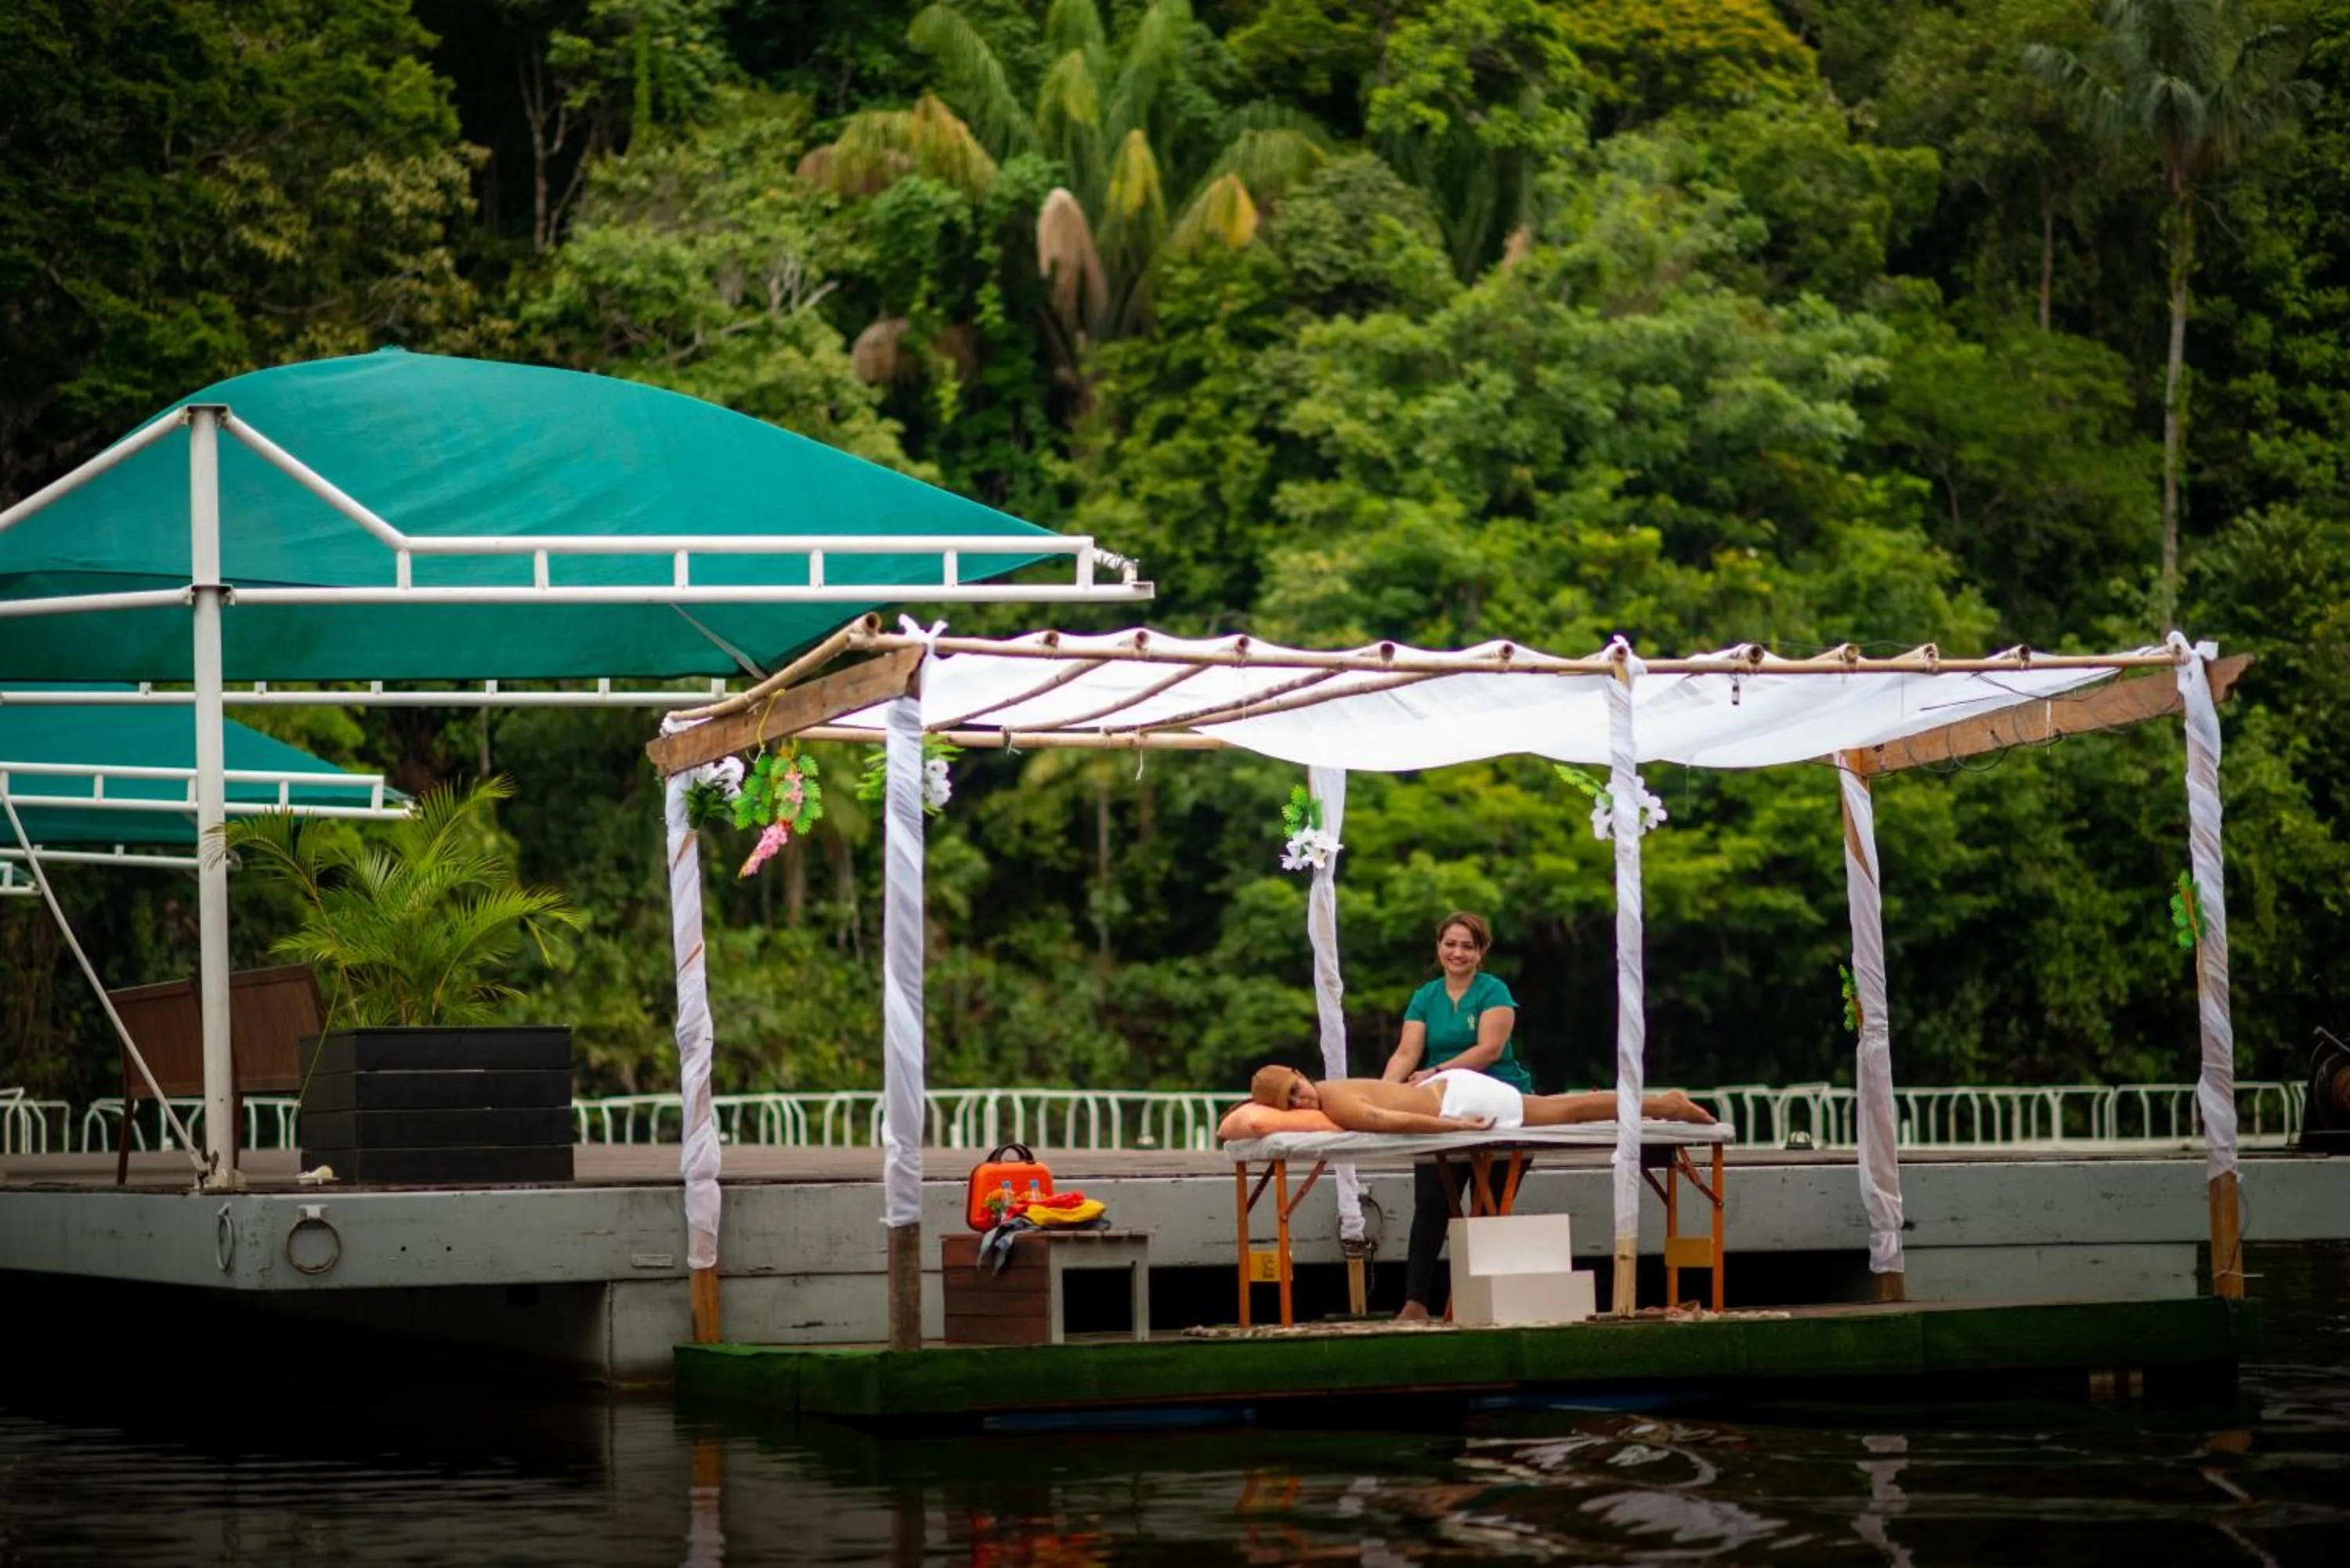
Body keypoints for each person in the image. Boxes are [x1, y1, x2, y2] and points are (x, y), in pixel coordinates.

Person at [1248, 1064, 1716, 1133]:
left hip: (1455, 1101)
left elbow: (1391, 1120)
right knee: (1561, 1107)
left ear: (1298, 1072)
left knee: (1563, 1111)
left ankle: (1665, 1105)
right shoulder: (1328, 1092)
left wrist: (1459, 1128)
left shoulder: (1335, 1102)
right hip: (1449, 1088)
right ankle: (1659, 1102)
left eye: (1297, 1090)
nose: (1302, 1103)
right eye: (1292, 1106)